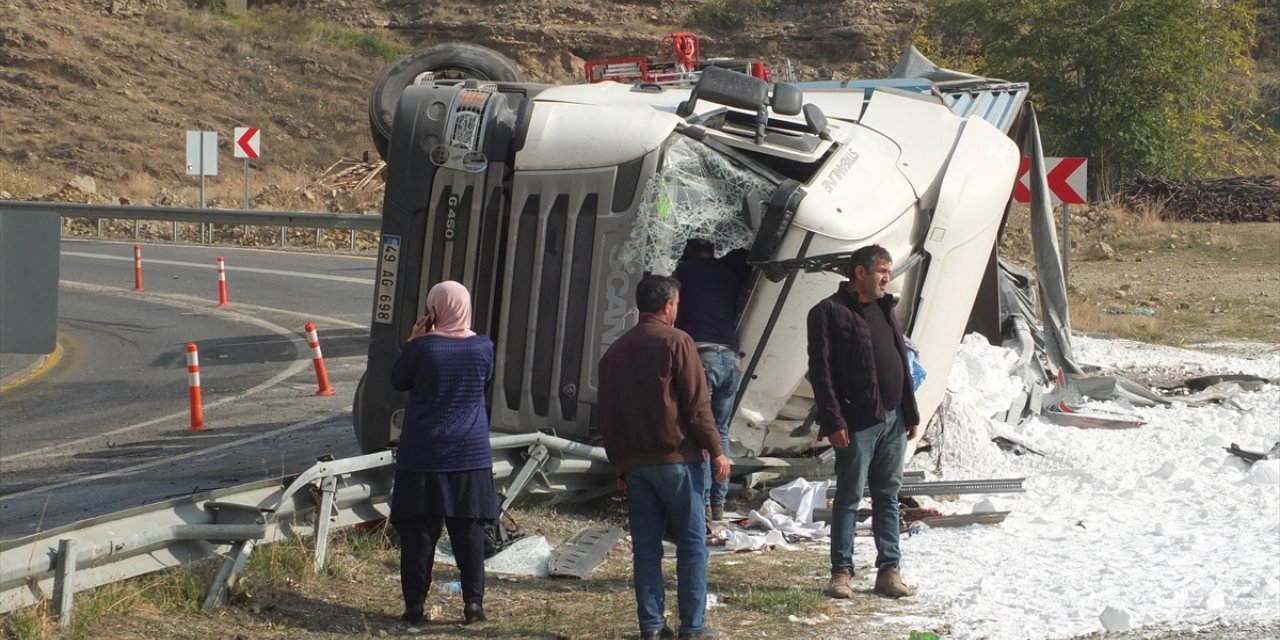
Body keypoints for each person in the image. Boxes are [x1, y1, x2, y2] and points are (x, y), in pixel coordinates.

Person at [597, 274, 731, 640]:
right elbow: (697, 405)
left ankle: (652, 627)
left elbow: (608, 417)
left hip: (636, 467)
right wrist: (717, 451)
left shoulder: (614, 353)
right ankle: (693, 627)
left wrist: (620, 465)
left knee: (646, 549)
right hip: (678, 461)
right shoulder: (678, 341)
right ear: (668, 305)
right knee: (691, 546)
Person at [806, 244, 920, 600]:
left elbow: (901, 362)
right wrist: (833, 418)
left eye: (888, 271)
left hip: (894, 418)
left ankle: (889, 571)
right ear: (860, 273)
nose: (887, 277)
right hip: (857, 422)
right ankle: (841, 573)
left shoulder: (886, 309)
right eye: (882, 271)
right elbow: (821, 372)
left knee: (888, 497)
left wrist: (909, 412)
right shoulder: (827, 312)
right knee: (850, 497)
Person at [389, 280, 496, 625]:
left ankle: (415, 606)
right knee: (469, 534)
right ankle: (473, 605)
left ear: (433, 309)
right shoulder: (484, 348)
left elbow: (398, 380)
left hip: (422, 455)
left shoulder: (422, 349)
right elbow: (485, 382)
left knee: (419, 534)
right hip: (470, 455)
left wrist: (412, 341)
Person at [673, 239, 750, 522]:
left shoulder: (684, 272)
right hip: (730, 357)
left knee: (701, 432)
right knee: (721, 431)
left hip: (701, 355)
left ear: (689, 250)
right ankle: (719, 503)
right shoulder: (727, 273)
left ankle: (703, 503)